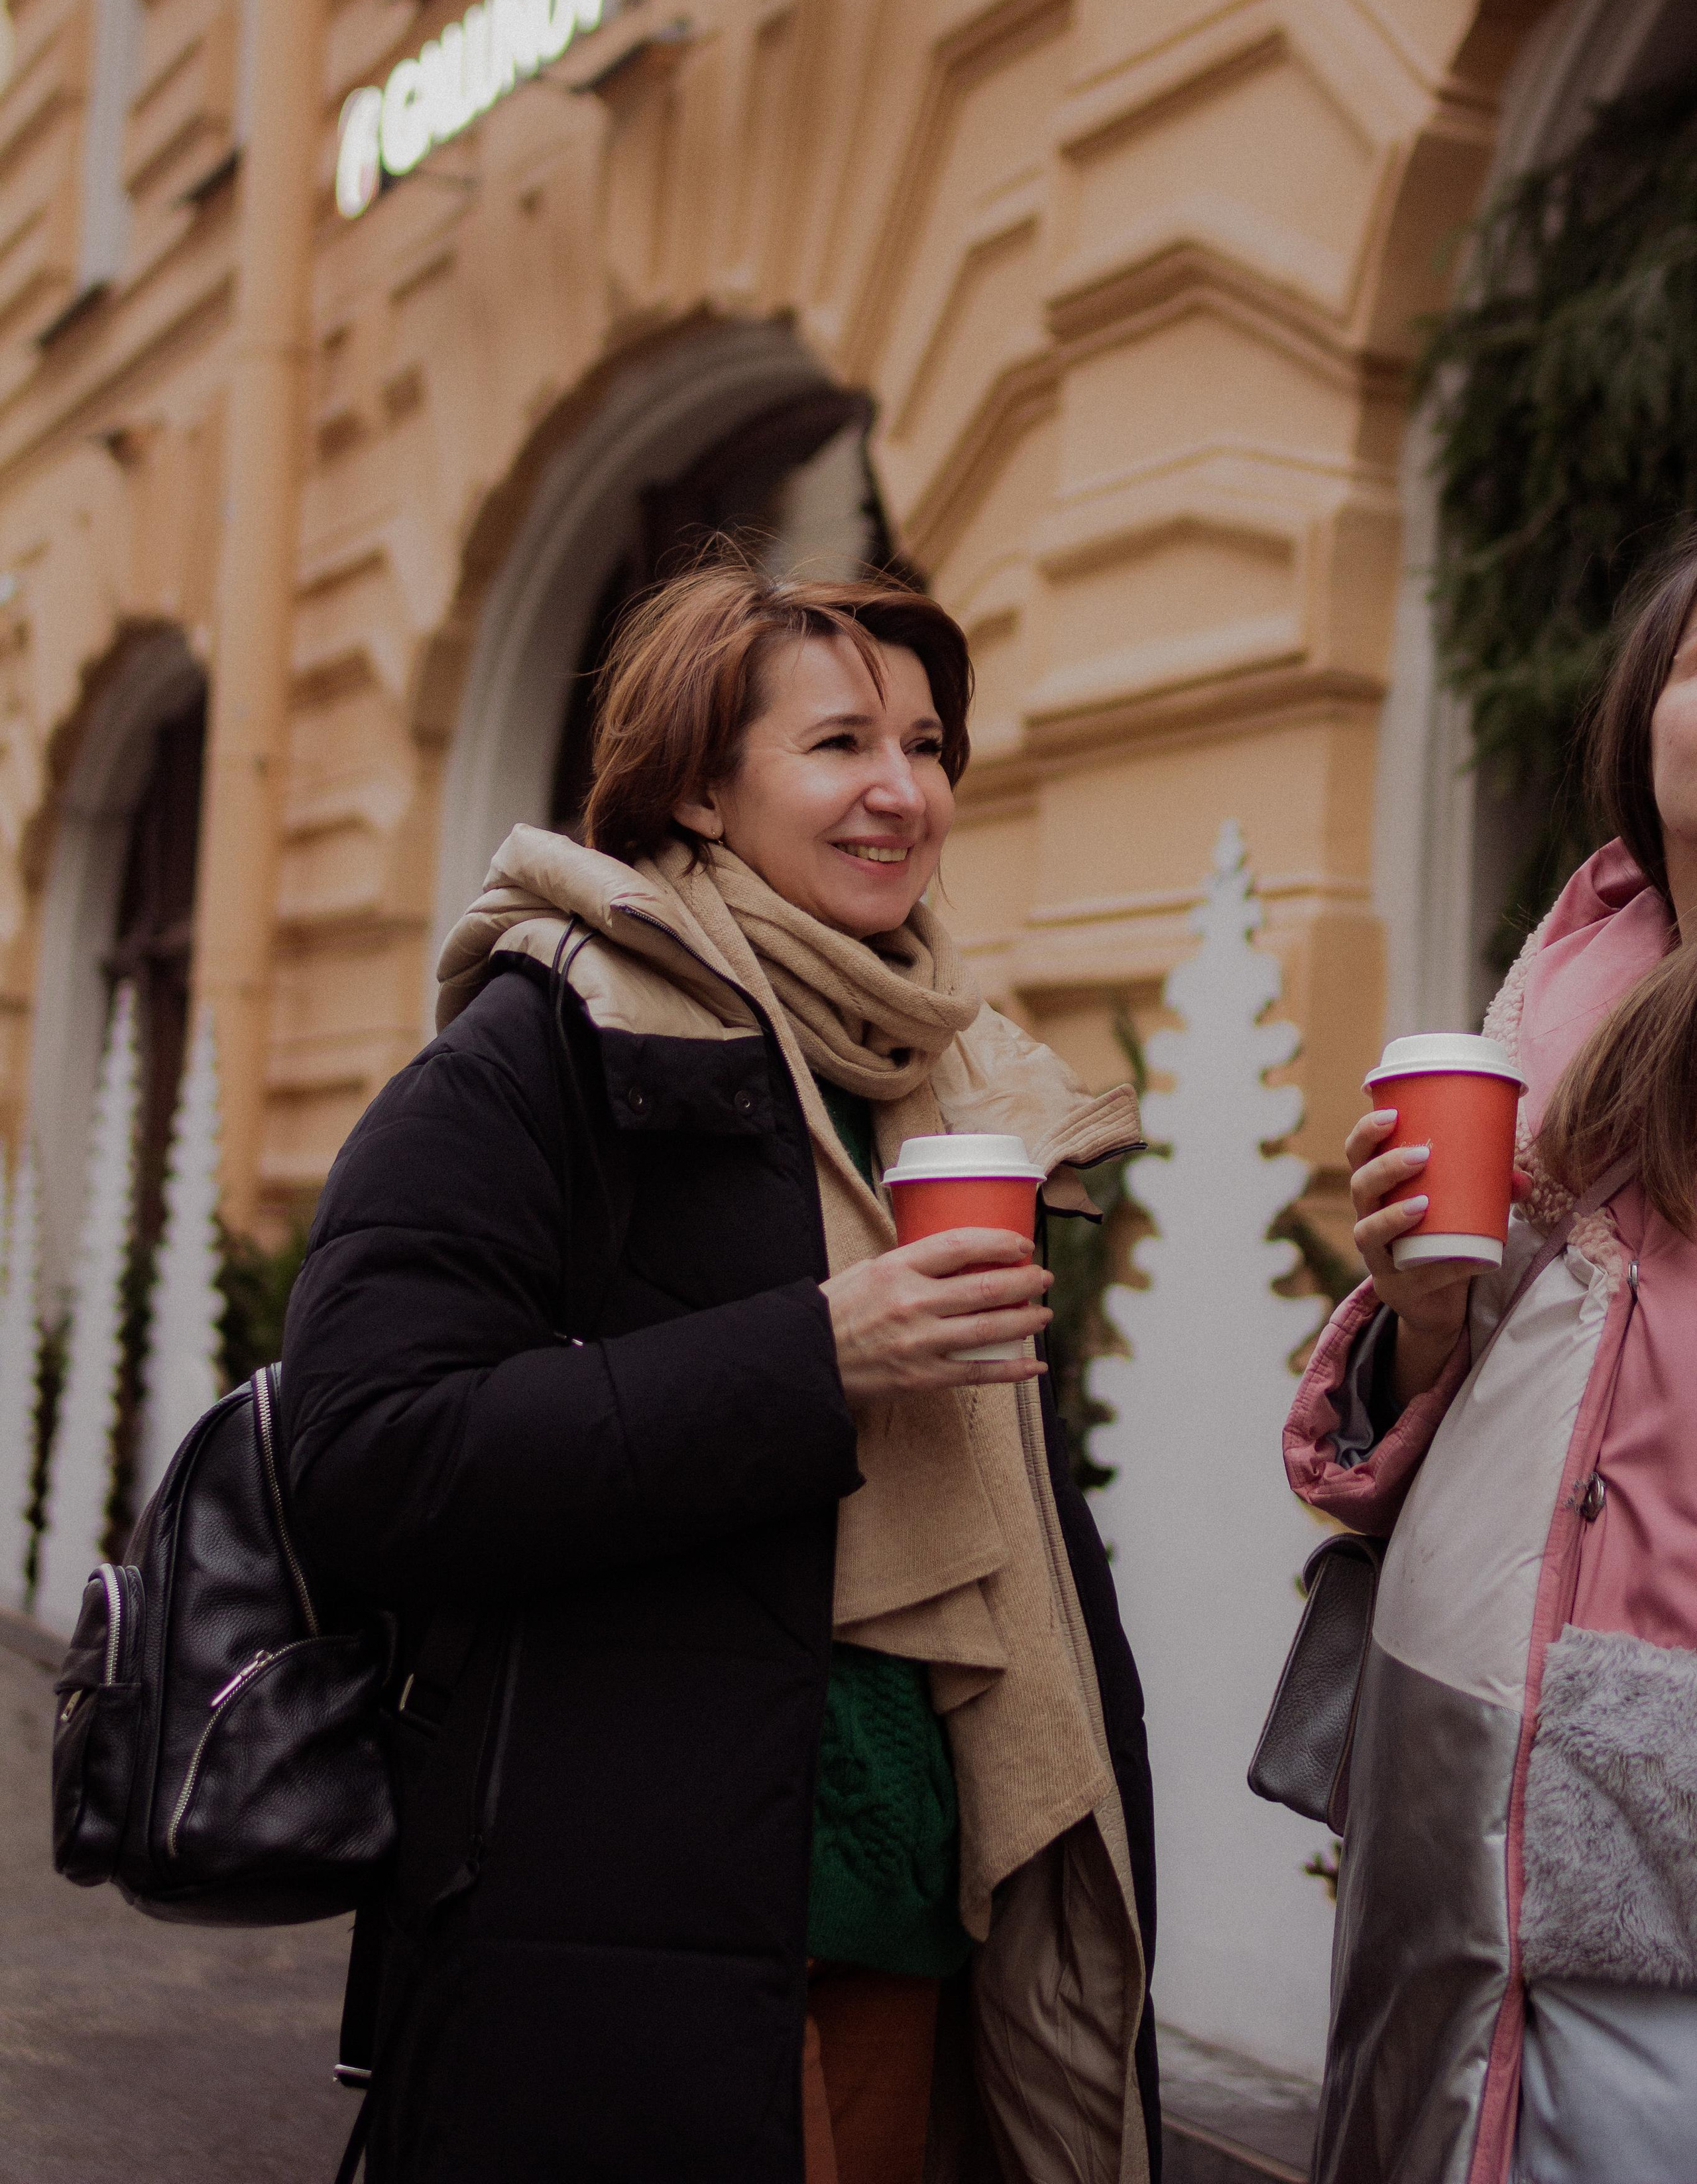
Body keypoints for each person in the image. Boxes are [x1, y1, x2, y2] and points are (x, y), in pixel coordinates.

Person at [281, 560, 1159, 2184]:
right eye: (837, 746)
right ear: (694, 781)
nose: (904, 792)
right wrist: (812, 1355)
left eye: (926, 742)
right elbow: (363, 1455)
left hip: (913, 1875)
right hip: (619, 1903)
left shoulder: (942, 1077)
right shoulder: (544, 1039)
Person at [1285, 538, 1697, 2184]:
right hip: (1476, 1769)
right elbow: (1465, 1416)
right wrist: (1419, 1309)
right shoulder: (1551, 1012)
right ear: (1643, 723)